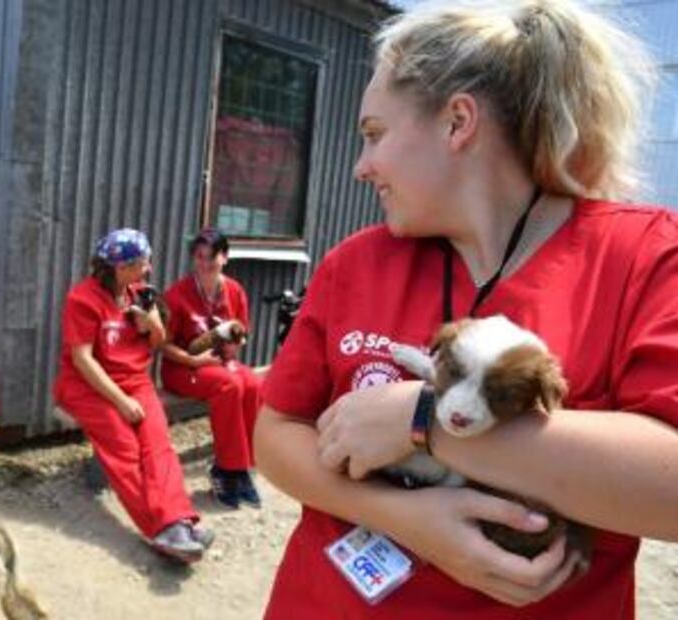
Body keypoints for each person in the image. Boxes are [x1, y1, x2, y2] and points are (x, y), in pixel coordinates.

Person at [254, 1, 678, 618]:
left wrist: (421, 419)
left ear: (457, 123)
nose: (360, 166)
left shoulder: (643, 255)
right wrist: (406, 517)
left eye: (374, 135)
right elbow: (274, 435)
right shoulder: (356, 263)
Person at [53, 229, 213, 563]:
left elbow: (157, 343)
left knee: (158, 445)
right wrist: (121, 402)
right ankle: (162, 528)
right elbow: (83, 360)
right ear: (120, 268)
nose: (148, 269)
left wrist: (150, 324)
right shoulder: (82, 299)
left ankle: (179, 520)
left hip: (135, 380)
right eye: (142, 263)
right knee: (125, 449)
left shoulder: (142, 295)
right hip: (87, 386)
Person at [161, 229, 263, 509]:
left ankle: (242, 468)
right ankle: (226, 470)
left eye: (212, 256)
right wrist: (194, 361)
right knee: (230, 385)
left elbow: (241, 331)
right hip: (182, 367)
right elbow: (163, 346)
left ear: (225, 257)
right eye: (199, 257)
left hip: (218, 363)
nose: (205, 263)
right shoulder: (177, 294)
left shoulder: (234, 290)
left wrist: (235, 346)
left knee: (254, 384)